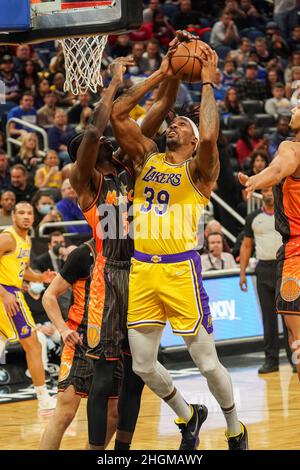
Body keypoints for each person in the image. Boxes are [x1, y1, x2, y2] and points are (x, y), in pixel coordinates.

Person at [111, 42, 248, 450]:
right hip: (142, 271)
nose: (174, 127)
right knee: (142, 364)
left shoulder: (200, 170)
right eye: (174, 125)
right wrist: (165, 70)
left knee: (206, 362)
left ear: (190, 143)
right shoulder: (146, 159)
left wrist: (207, 80)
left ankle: (235, 427)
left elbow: (208, 134)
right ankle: (189, 415)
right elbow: (118, 114)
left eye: (182, 127)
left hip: (179, 270)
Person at [69, 47, 182, 450]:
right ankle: (98, 451)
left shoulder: (126, 165)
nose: (98, 140)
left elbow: (159, 107)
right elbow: (99, 126)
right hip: (107, 275)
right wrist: (114, 82)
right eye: (89, 141)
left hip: (140, 271)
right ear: (83, 152)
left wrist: (170, 71)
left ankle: (123, 452)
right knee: (103, 378)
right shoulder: (84, 180)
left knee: (137, 372)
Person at [238, 103, 300, 380]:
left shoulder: (292, 147)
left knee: (298, 343)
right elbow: (275, 171)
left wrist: (254, 179)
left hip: (296, 252)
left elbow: (276, 170)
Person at [39, 240, 119, 449]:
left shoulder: (127, 250)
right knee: (65, 413)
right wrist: (64, 329)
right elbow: (49, 296)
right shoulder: (84, 254)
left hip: (113, 341)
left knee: (114, 415)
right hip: (81, 341)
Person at [0, 202, 56, 411]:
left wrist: (42, 277)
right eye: (21, 213)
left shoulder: (26, 239)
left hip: (11, 293)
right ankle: (43, 398)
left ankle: (43, 398)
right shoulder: (7, 238)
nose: (26, 216)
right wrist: (4, 293)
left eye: (29, 213)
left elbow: (23, 271)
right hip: (6, 295)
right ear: (13, 216)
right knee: (33, 344)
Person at [239, 187, 294, 374]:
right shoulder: (253, 217)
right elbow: (246, 246)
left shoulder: (285, 213)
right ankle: (271, 361)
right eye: (265, 190)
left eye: (271, 189)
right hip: (263, 269)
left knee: (289, 317)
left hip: (285, 267)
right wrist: (242, 273)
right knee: (268, 319)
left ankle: (294, 360)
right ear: (260, 194)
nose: (268, 193)